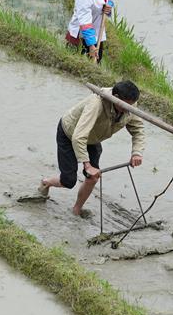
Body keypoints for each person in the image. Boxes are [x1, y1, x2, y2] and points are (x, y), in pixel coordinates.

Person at [39, 81, 145, 216]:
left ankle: (76, 209)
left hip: (93, 138)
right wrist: (87, 164)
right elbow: (78, 136)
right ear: (116, 97)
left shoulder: (129, 106)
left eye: (132, 105)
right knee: (68, 181)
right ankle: (46, 182)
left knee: (93, 177)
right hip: (70, 134)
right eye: (127, 105)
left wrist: (137, 153)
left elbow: (138, 130)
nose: (130, 109)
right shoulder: (96, 104)